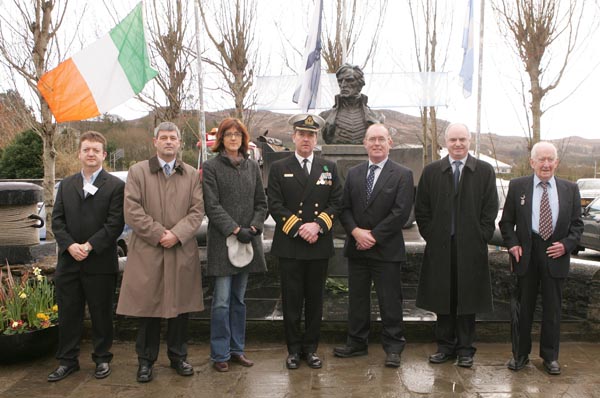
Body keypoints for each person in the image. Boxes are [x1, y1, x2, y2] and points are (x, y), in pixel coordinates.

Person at [116, 121, 204, 383]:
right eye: (163, 137)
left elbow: (197, 211)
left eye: (172, 137)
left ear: (179, 143)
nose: (168, 141)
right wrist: (158, 234)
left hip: (180, 250)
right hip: (148, 251)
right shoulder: (138, 171)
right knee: (148, 310)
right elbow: (131, 209)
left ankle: (178, 357)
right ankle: (145, 361)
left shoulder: (190, 174)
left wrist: (176, 234)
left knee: (180, 309)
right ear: (154, 142)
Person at [415, 122, 498, 368]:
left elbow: (490, 208)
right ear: (446, 143)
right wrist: (432, 234)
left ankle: (465, 349)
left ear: (469, 141)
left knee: (467, 299)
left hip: (471, 248)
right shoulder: (431, 172)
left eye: (462, 139)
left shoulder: (484, 170)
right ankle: (445, 347)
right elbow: (422, 209)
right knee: (443, 298)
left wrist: (481, 235)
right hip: (441, 247)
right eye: (453, 140)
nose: (458, 144)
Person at [333, 124, 414, 368]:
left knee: (390, 300)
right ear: (365, 144)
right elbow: (344, 208)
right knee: (357, 299)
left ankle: (393, 347)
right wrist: (356, 232)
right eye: (372, 139)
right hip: (357, 248)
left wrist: (374, 236)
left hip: (386, 249)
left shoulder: (402, 174)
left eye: (381, 139)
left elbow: (401, 213)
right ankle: (356, 343)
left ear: (390, 142)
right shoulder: (355, 173)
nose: (377, 143)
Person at [499, 141, 583, 375]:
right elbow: (505, 223)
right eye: (541, 159)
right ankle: (520, 355)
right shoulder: (518, 186)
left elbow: (577, 225)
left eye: (550, 159)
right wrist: (513, 244)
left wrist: (566, 245)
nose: (546, 164)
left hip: (555, 254)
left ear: (556, 162)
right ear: (532, 162)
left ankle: (550, 357)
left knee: (553, 309)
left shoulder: (570, 189)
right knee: (523, 308)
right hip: (527, 252)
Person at [267, 113, 343, 369]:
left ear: (316, 137)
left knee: (314, 301)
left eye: (311, 134)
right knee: (291, 300)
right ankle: (293, 350)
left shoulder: (328, 168)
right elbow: (275, 205)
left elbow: (337, 202)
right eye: (302, 134)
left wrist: (318, 225)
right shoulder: (279, 167)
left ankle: (310, 349)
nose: (306, 139)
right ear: (294, 137)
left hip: (318, 244)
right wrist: (299, 228)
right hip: (291, 244)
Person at [49, 131, 125, 382]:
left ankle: (102, 358)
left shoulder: (115, 186)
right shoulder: (66, 184)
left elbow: (115, 224)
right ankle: (67, 361)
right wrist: (70, 246)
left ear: (104, 154)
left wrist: (89, 246)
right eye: (86, 149)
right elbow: (57, 221)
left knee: (101, 313)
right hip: (69, 262)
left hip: (100, 262)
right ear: (79, 153)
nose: (91, 154)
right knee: (69, 313)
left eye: (96, 150)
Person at [202, 118, 268, 372]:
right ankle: (220, 353)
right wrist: (234, 228)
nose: (232, 138)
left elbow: (261, 202)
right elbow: (212, 205)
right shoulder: (211, 167)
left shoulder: (252, 167)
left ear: (243, 139)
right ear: (221, 139)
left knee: (239, 301)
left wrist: (253, 227)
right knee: (221, 301)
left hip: (247, 241)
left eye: (237, 134)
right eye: (228, 134)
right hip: (223, 243)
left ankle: (237, 349)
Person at [320, 64, 383, 144]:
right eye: (340, 81)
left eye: (349, 80)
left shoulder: (377, 117)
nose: (343, 85)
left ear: (360, 84)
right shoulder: (325, 117)